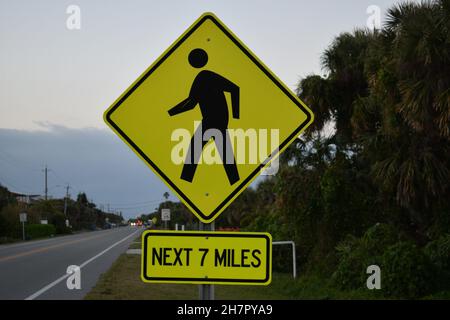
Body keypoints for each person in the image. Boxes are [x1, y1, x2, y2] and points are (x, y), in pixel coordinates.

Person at [168, 48, 240, 185]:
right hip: (211, 120)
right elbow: (191, 103)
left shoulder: (205, 76)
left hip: (215, 120)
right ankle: (234, 181)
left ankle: (186, 181)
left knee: (197, 148)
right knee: (224, 154)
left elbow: (235, 89)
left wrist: (236, 116)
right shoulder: (201, 78)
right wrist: (170, 113)